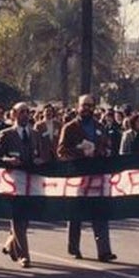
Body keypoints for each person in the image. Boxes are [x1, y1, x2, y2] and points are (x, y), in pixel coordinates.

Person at [57, 94, 116, 262]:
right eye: (84, 105)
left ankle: (104, 251)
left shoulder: (100, 127)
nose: (87, 108)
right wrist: (80, 151)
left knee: (100, 213)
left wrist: (99, 151)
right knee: (76, 214)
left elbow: (107, 147)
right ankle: (74, 248)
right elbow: (61, 151)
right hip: (78, 177)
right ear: (78, 107)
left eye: (90, 105)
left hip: (97, 176)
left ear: (94, 108)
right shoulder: (70, 127)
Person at [0, 102, 44, 268]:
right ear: (14, 114)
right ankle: (24, 256)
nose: (25, 115)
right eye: (21, 112)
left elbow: (41, 155)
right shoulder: (6, 135)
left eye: (27, 112)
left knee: (26, 218)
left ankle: (10, 245)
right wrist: (7, 160)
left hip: (31, 182)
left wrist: (39, 160)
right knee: (18, 218)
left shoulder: (35, 134)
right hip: (13, 181)